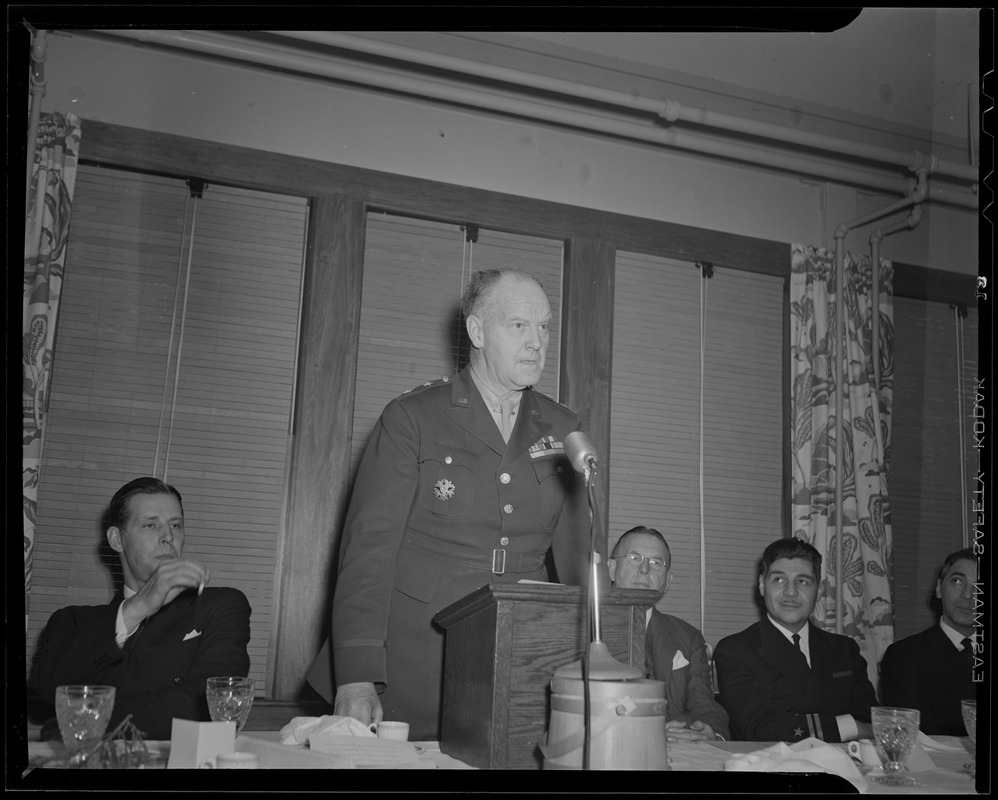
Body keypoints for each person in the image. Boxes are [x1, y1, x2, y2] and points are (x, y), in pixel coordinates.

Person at [306, 268, 596, 741]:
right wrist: (356, 672)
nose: (537, 341)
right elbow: (368, 552)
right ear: (477, 331)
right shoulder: (414, 416)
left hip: (521, 658)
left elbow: (582, 564)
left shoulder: (564, 428)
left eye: (543, 327)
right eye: (519, 325)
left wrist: (598, 659)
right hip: (419, 654)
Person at [32, 477, 252, 740]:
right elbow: (48, 690)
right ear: (116, 539)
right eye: (150, 524)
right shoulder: (73, 621)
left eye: (176, 525)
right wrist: (135, 610)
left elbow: (208, 707)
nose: (168, 536)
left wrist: (74, 722)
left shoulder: (220, 606)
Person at [713, 537, 877, 742]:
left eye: (803, 581)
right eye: (779, 580)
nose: (791, 592)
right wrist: (850, 726)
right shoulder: (736, 650)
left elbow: (873, 722)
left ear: (818, 590)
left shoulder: (844, 649)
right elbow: (759, 731)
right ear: (763, 586)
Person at [608, 525, 730, 741]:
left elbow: (704, 705)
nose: (645, 570)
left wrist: (713, 733)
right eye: (635, 557)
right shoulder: (583, 628)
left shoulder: (688, 637)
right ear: (611, 569)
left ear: (667, 582)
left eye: (656, 563)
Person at [879, 548, 979, 735]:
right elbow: (908, 735)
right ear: (939, 588)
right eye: (957, 581)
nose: (968, 595)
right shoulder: (904, 656)